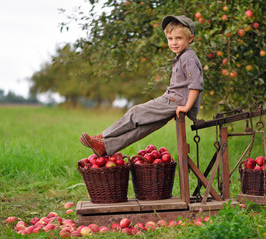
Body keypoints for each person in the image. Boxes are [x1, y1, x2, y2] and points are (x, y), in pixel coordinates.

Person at [80, 15, 204, 157]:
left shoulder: (187, 57)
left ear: (190, 38)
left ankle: (102, 137)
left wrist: (187, 107)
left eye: (178, 38)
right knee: (143, 128)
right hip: (174, 102)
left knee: (135, 113)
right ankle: (105, 147)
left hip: (174, 101)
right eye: (170, 39)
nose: (174, 43)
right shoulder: (182, 57)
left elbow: (196, 84)